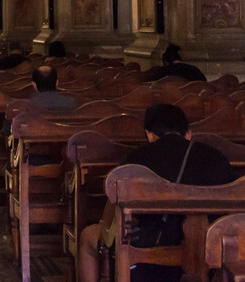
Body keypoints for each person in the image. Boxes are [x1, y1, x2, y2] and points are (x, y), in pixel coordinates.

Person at [78, 104, 234, 282]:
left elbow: (115, 207)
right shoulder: (217, 158)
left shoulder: (135, 158)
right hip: (210, 244)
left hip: (151, 245)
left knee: (88, 237)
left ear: (149, 134)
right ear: (188, 134)